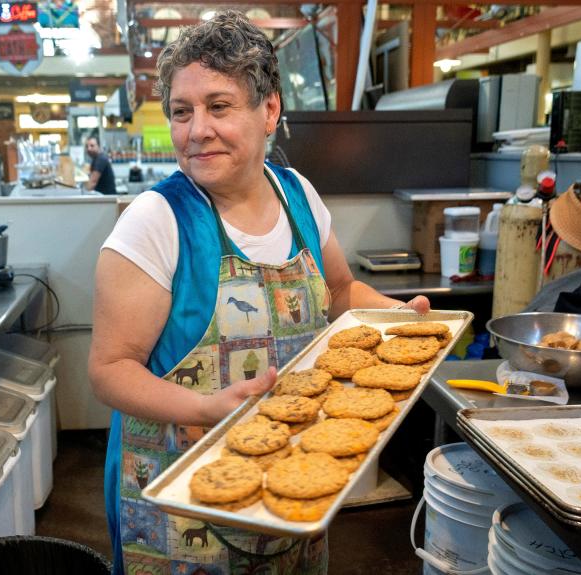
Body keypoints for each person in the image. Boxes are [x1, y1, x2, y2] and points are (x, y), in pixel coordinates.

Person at [88, 11, 430, 575]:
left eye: (218, 106)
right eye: (182, 111)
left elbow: (339, 290)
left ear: (268, 110)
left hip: (290, 493)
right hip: (186, 506)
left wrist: (401, 316)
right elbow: (108, 369)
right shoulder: (156, 220)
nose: (197, 129)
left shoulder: (297, 194)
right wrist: (205, 407)